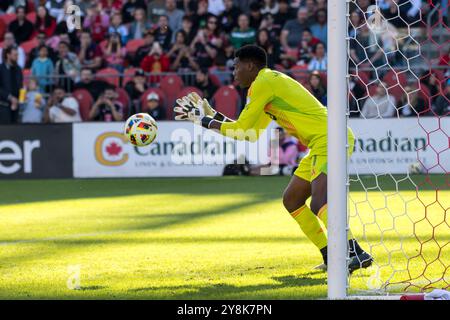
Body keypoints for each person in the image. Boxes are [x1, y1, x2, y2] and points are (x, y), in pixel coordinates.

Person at [174, 45, 373, 272]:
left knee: (319, 202)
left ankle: (355, 251)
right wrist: (214, 116)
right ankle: (329, 255)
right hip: (321, 142)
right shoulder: (264, 86)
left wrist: (204, 121)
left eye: (236, 67)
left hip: (330, 138)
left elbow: (242, 128)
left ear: (250, 66)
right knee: (292, 200)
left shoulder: (263, 83)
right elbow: (248, 133)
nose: (234, 73)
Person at [0, 46, 23, 124]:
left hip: (16, 106)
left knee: (15, 132)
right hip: (3, 106)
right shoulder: (0, 69)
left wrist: (21, 97)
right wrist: (10, 97)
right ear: (8, 55)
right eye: (15, 55)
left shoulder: (19, 69)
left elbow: (20, 85)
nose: (17, 57)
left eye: (17, 55)